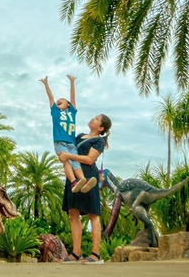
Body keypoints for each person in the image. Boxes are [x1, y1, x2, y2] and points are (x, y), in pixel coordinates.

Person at [59, 113, 112, 264]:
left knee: (93, 213)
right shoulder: (80, 136)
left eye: (96, 119)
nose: (92, 119)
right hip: (73, 177)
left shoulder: (98, 141)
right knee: (73, 213)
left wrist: (69, 156)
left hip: (89, 176)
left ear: (101, 127)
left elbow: (89, 160)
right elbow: (67, 147)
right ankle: (76, 253)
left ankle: (96, 254)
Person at [39, 75, 96, 194]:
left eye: (62, 100)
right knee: (66, 161)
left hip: (71, 143)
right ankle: (73, 182)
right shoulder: (55, 112)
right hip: (60, 142)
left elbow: (73, 97)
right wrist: (46, 84)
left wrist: (72, 82)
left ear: (68, 104)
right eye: (58, 101)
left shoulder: (72, 112)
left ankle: (83, 181)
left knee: (76, 163)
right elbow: (51, 98)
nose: (59, 101)